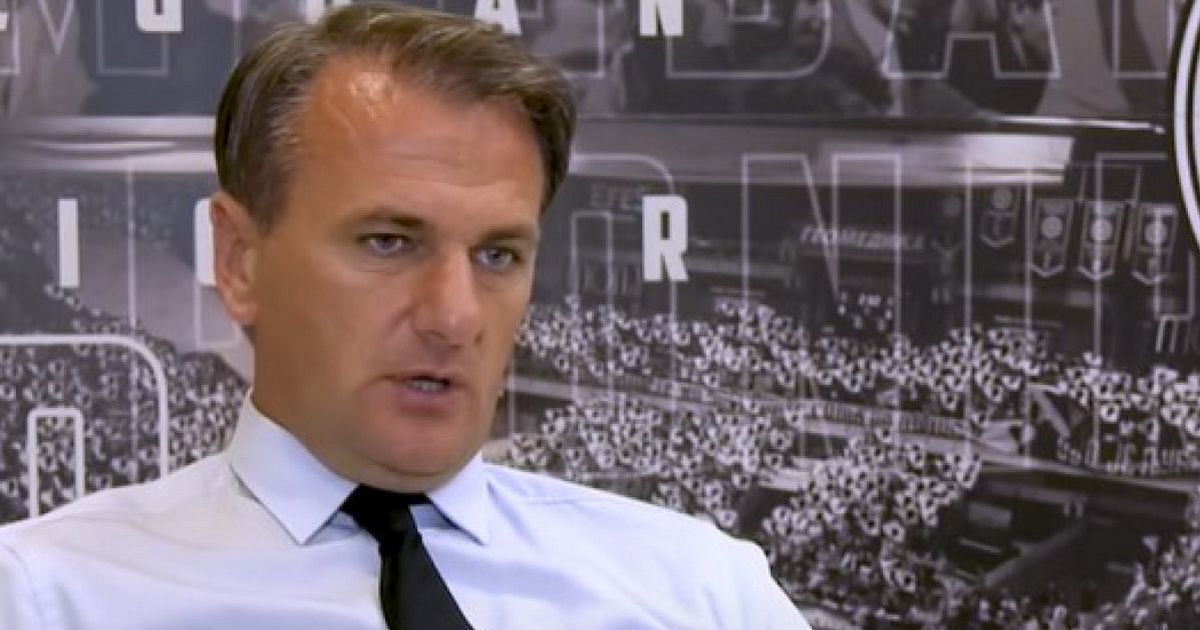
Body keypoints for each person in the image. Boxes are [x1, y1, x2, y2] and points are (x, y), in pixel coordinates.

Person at [0, 4, 809, 629]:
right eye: (388, 242)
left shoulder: (702, 594)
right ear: (240, 260)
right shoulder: (48, 597)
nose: (455, 316)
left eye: (498, 255)